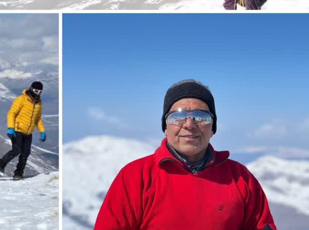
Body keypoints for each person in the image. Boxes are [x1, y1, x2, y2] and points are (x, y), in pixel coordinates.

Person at [94, 79, 277, 230]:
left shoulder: (240, 178)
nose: (189, 125)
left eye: (201, 117)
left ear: (212, 128)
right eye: (177, 117)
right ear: (165, 127)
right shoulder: (135, 177)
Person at [0, 81, 47, 180]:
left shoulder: (38, 103)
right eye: (36, 91)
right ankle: (0, 164)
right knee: (17, 150)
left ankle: (18, 174)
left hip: (28, 133)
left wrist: (42, 131)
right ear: (31, 89)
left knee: (26, 153)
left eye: (40, 92)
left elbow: (37, 119)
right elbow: (11, 113)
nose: (38, 93)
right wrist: (10, 128)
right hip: (17, 130)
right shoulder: (21, 99)